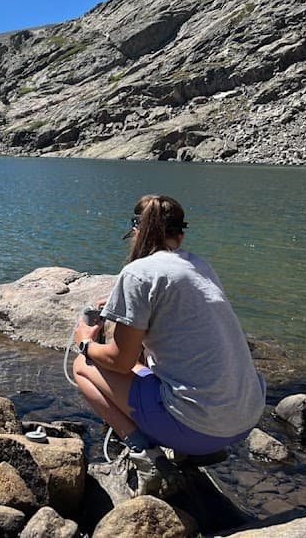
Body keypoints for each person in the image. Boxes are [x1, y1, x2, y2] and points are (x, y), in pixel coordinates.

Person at [72, 194, 266, 465]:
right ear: (180, 236)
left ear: (138, 232)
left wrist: (85, 343)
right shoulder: (201, 266)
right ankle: (189, 450)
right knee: (146, 369)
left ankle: (141, 448)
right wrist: (126, 303)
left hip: (198, 428)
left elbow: (120, 361)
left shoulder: (138, 274)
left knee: (82, 366)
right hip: (244, 420)